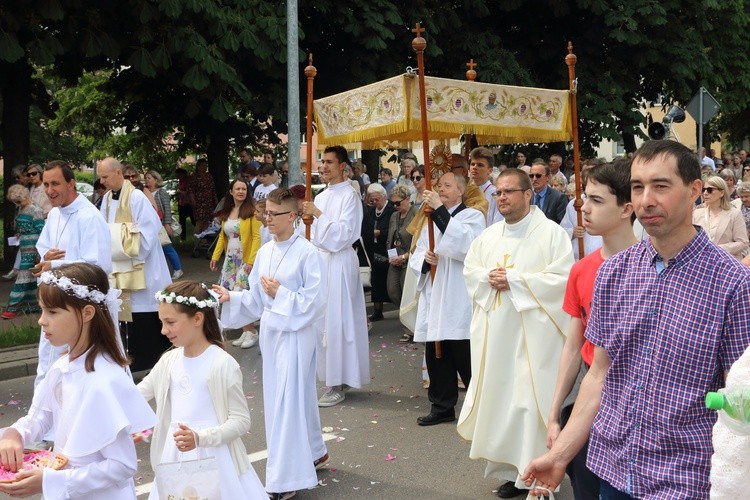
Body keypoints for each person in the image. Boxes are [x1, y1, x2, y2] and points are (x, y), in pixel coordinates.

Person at [522, 140, 750, 499]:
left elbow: (739, 398)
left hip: (685, 478)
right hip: (613, 468)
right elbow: (598, 375)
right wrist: (559, 455)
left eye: (660, 186)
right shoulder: (613, 273)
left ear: (693, 191)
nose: (646, 199)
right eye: (638, 187)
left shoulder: (732, 283)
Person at [458, 168, 573, 498]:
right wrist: (488, 279)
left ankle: (539, 471)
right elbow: (471, 271)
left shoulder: (551, 234)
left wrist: (517, 281)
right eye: (498, 193)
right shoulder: (489, 235)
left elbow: (562, 280)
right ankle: (515, 471)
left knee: (529, 405)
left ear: (528, 194)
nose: (502, 198)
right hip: (498, 338)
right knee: (506, 404)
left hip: (534, 340)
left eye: (509, 191)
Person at [0, 263, 157, 499]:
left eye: (52, 312)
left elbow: (122, 465)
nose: (42, 321)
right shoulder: (62, 367)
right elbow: (41, 416)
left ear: (87, 313)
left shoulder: (103, 380)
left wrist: (53, 481)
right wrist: (16, 433)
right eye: (42, 311)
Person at [215, 188, 328, 499]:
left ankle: (286, 480)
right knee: (293, 398)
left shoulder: (308, 253)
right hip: (273, 333)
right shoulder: (265, 252)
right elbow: (254, 299)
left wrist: (282, 294)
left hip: (296, 334)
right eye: (265, 213)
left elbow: (316, 302)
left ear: (292, 216)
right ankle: (315, 450)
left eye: (273, 214)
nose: (267, 219)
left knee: (286, 404)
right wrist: (231, 297)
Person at [545, 161, 637, 500]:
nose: (584, 207)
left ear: (627, 208)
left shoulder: (654, 267)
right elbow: (573, 346)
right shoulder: (582, 270)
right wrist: (554, 413)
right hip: (589, 396)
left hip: (634, 400)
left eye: (597, 200)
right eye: (584, 197)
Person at [139, 281, 267, 499]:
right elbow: (139, 394)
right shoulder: (169, 360)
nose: (163, 330)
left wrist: (200, 438)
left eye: (170, 322)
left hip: (215, 456)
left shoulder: (221, 364)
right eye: (161, 322)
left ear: (197, 319)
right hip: (175, 455)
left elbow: (241, 420)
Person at [410, 172, 485, 426]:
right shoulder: (429, 219)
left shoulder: (473, 217)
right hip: (436, 291)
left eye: (447, 185)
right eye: (439, 185)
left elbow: (466, 245)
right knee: (437, 353)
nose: (441, 189)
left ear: (461, 191)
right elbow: (417, 252)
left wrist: (440, 210)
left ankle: (480, 407)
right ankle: (442, 406)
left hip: (457, 292)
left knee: (464, 351)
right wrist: (424, 259)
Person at [301, 145, 370, 407]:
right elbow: (314, 236)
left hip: (340, 262)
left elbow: (343, 234)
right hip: (321, 262)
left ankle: (338, 381)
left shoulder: (350, 196)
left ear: (343, 166)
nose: (323, 166)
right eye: (321, 161)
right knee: (322, 321)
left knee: (338, 321)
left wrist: (318, 215)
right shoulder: (320, 197)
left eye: (329, 162)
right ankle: (330, 376)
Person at [35, 160, 113, 388]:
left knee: (78, 367)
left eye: (55, 184)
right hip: (55, 302)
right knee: (48, 363)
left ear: (71, 183)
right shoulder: (55, 215)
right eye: (46, 184)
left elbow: (97, 266)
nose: (49, 191)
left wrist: (56, 266)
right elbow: (44, 251)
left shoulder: (89, 217)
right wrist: (46, 257)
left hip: (80, 308)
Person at [98, 157, 172, 373]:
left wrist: (125, 248)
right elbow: (104, 229)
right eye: (100, 177)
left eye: (105, 176)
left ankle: (154, 365)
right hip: (118, 267)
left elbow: (149, 230)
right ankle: (130, 364)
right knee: (123, 317)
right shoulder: (107, 200)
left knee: (144, 317)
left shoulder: (137, 197)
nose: (102, 182)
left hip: (141, 267)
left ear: (118, 172)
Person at [210, 179, 262, 349]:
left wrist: (251, 261)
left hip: (244, 260)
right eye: (237, 189)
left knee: (240, 295)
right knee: (230, 295)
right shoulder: (228, 211)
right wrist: (215, 257)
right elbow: (222, 237)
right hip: (230, 261)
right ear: (231, 192)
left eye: (244, 189)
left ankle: (252, 332)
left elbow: (256, 237)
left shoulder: (252, 211)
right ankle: (245, 331)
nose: (241, 191)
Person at [2, 185, 44, 319]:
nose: (17, 204)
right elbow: (23, 225)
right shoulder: (22, 208)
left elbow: (41, 230)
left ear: (26, 196)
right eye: (15, 202)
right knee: (31, 277)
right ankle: (33, 304)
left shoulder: (35, 209)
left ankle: (13, 307)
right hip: (24, 247)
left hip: (33, 248)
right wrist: (20, 233)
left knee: (23, 277)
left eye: (19, 201)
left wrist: (39, 250)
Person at [386, 184, 418, 342]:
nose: (395, 206)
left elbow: (418, 240)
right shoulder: (394, 216)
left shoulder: (416, 213)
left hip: (410, 258)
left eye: (398, 203)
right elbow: (390, 239)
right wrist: (391, 256)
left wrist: (405, 257)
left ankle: (411, 328)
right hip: (395, 258)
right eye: (393, 203)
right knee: (392, 290)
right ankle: (407, 320)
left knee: (408, 294)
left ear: (408, 199)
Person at [693, 175, 748, 260]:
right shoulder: (696, 213)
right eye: (704, 190)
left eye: (710, 190)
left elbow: (743, 242)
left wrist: (717, 249)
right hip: (702, 263)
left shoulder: (735, 214)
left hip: (726, 264)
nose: (705, 193)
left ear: (722, 193)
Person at [363, 183, 395, 321]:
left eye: (377, 199)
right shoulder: (371, 211)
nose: (375, 203)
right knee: (376, 280)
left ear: (383, 196)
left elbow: (393, 230)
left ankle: (399, 307)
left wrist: (380, 233)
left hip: (388, 249)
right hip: (374, 250)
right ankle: (377, 310)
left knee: (391, 281)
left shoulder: (391, 209)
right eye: (372, 200)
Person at [145, 170, 184, 280]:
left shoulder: (161, 193)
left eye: (149, 178)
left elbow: (167, 209)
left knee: (167, 247)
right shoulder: (145, 192)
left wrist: (167, 224)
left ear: (156, 180)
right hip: (150, 224)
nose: (147, 180)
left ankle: (178, 269)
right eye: (146, 178)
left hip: (161, 224)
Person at [469, 146, 502, 225]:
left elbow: (497, 223)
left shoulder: (496, 194)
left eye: (480, 165)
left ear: (490, 170)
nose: (475, 167)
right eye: (472, 164)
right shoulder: (464, 191)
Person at [529, 159, 568, 224]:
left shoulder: (559, 198)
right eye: (531, 176)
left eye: (538, 176)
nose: (534, 179)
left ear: (548, 177)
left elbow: (562, 224)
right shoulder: (526, 196)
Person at [190, 159, 218, 234]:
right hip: (199, 202)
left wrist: (215, 200)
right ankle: (197, 239)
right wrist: (193, 201)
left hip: (208, 202)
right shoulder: (194, 177)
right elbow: (191, 190)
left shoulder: (209, 176)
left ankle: (204, 240)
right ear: (198, 166)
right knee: (199, 222)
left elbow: (213, 189)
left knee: (207, 221)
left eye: (206, 166)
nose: (205, 167)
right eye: (203, 166)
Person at [175, 168, 194, 240]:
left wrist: (180, 191)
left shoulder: (188, 181)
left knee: (193, 219)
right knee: (182, 221)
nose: (177, 176)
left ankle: (199, 233)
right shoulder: (180, 181)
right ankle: (183, 237)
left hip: (188, 203)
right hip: (182, 203)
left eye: (178, 175)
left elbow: (188, 192)